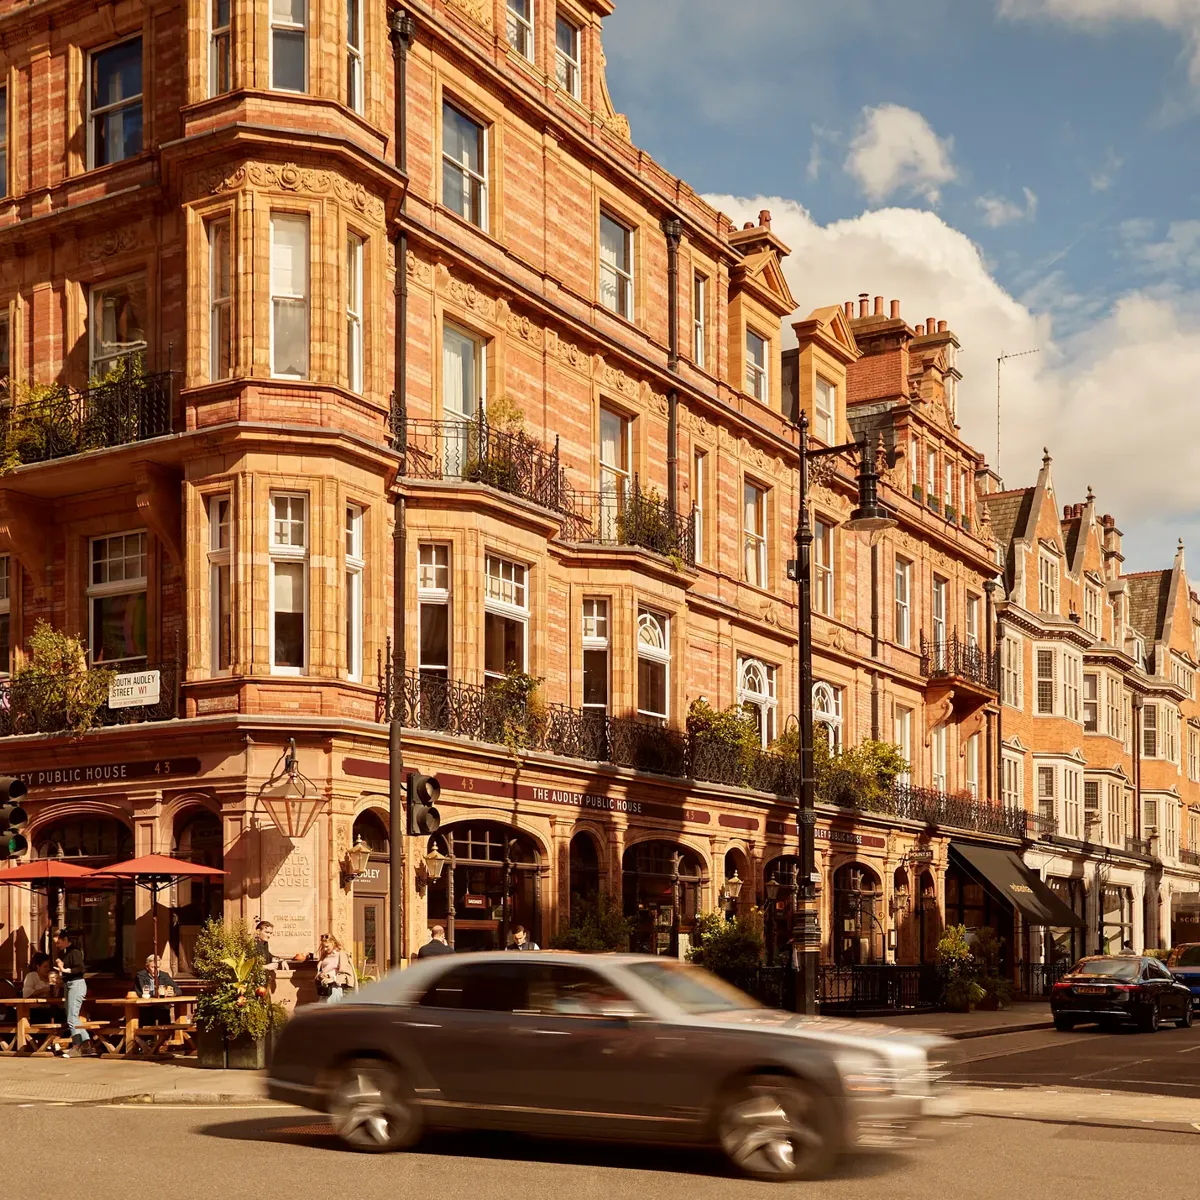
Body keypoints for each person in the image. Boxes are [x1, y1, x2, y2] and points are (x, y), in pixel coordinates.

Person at [53, 929, 92, 1058]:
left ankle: (76, 1047)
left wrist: (63, 969)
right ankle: (86, 1045)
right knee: (72, 1016)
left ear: (65, 940)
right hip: (70, 984)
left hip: (76, 985)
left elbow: (80, 969)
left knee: (72, 1018)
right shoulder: (67, 952)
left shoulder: (74, 951)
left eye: (58, 942)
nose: (57, 945)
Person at [315, 935, 355, 1003]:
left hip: (335, 988)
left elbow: (347, 975)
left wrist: (333, 979)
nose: (325, 949)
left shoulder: (341, 954)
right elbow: (320, 971)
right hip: (324, 989)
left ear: (333, 943)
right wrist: (320, 975)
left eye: (327, 946)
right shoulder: (324, 955)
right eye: (323, 946)